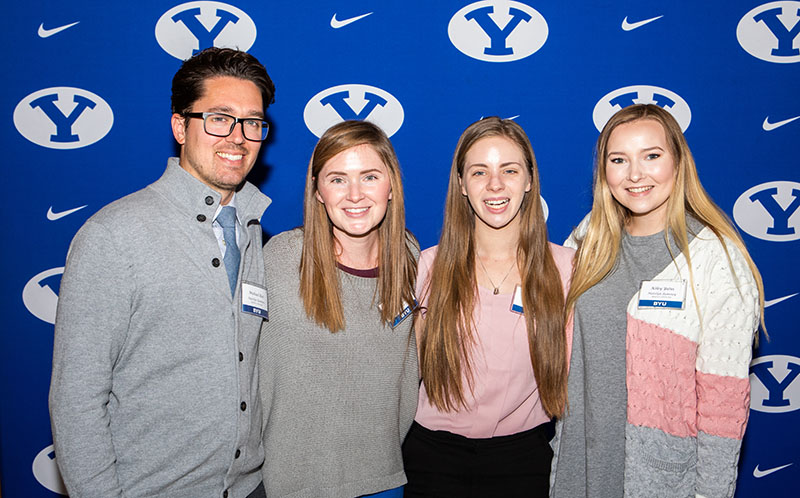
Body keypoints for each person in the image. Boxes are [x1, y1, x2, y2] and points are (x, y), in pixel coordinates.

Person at [49, 47, 275, 498]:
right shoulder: (113, 235)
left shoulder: (255, 233)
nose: (238, 136)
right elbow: (76, 398)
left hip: (249, 489)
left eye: (252, 122)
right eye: (218, 118)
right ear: (180, 126)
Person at [549, 104, 764, 497]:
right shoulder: (587, 240)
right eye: (619, 159)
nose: (635, 174)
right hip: (577, 470)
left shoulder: (715, 260)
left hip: (661, 482)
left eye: (651, 156)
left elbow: (723, 406)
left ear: (678, 163)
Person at [402, 117, 574, 497]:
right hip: (431, 462)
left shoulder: (567, 270)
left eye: (509, 170)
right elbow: (397, 374)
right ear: (461, 184)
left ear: (529, 179)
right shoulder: (426, 268)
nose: (495, 185)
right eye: (479, 172)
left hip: (524, 464)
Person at [257, 120, 419, 497]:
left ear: (392, 184)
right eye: (337, 179)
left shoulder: (410, 260)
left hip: (383, 480)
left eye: (370, 176)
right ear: (317, 191)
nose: (355, 195)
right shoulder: (281, 258)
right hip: (291, 483)